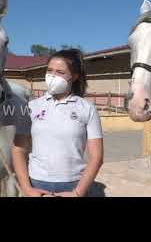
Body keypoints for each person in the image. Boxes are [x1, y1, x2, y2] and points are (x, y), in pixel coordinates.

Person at [12, 49, 103, 197]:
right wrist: (27, 189)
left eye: (60, 72)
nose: (52, 76)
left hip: (73, 184)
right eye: (49, 70)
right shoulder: (31, 107)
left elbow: (96, 157)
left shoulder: (87, 109)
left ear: (74, 76)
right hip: (37, 183)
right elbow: (18, 150)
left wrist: (77, 193)